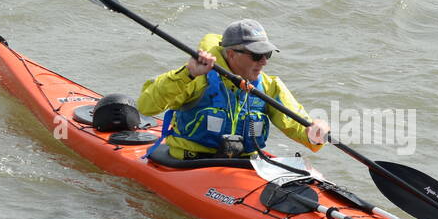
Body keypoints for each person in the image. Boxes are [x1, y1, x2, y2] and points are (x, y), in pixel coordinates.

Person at [137, 19, 330, 160]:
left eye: (267, 54)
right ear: (231, 54)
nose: (264, 61)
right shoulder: (196, 76)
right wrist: (187, 73)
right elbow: (147, 106)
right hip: (191, 162)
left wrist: (315, 133)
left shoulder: (269, 86)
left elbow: (296, 124)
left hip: (243, 165)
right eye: (257, 55)